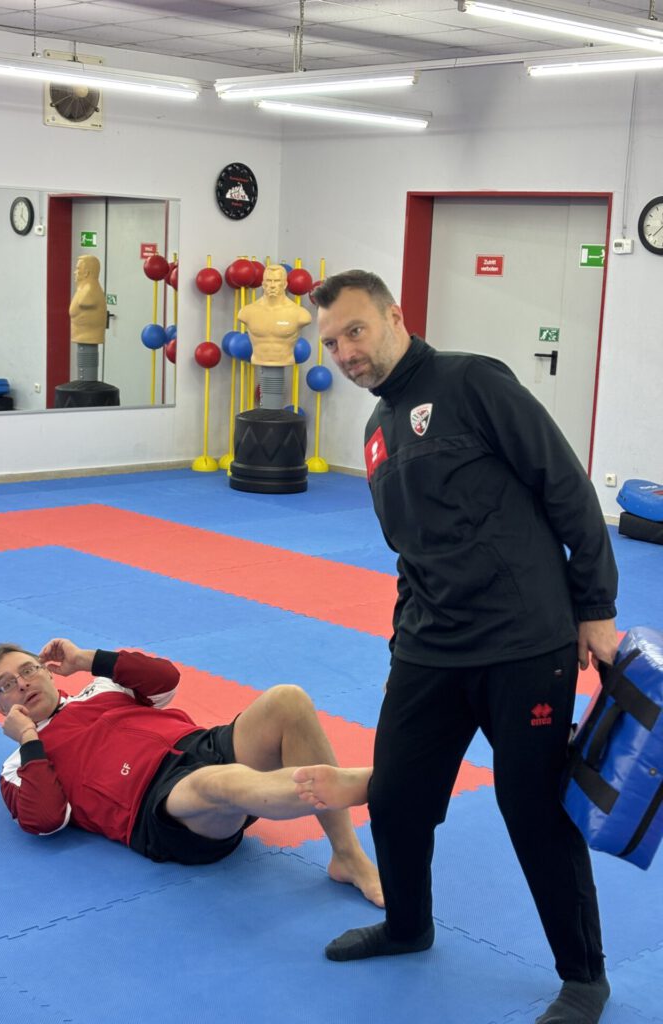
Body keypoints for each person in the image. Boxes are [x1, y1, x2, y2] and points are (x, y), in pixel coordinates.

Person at [306, 269, 618, 1024]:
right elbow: (410, 553)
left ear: (395, 317)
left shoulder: (473, 382)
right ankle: (407, 925)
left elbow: (566, 487)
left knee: (532, 806)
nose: (345, 352)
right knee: (397, 797)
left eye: (355, 331)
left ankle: (584, 977)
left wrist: (595, 608)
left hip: (524, 641)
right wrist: (402, 644)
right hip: (430, 647)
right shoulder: (377, 433)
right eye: (331, 342)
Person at [0, 636, 382, 905]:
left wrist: (87, 660)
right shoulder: (19, 764)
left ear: (49, 670)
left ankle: (347, 856)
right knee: (216, 782)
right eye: (6, 685)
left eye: (29, 670)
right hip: (159, 804)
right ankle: (347, 784)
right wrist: (30, 738)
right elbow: (46, 818)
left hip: (198, 744)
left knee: (287, 700)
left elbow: (165, 679)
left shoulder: (100, 688)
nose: (22, 684)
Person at [238, 264, 311, 409]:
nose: (272, 285)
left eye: (277, 281)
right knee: (267, 411)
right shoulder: (247, 312)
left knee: (275, 411)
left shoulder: (300, 314)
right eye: (269, 281)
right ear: (263, 284)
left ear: (285, 284)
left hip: (285, 359)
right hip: (259, 358)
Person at [69, 254, 107, 381]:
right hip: (82, 337)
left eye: (78, 269)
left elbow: (83, 302)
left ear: (86, 273)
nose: (75, 272)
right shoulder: (82, 289)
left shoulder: (89, 292)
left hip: (89, 337)